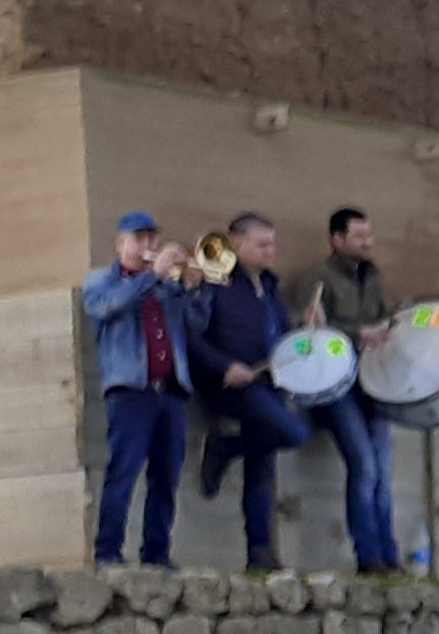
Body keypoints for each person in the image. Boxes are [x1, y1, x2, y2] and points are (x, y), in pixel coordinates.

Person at [190, 214, 308, 569]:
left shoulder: (270, 289)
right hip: (233, 386)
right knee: (293, 433)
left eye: (273, 243)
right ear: (237, 245)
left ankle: (260, 552)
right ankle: (223, 447)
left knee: (262, 467)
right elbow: (190, 334)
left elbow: (283, 336)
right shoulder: (217, 284)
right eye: (262, 244)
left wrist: (306, 328)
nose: (271, 251)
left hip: (269, 383)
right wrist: (224, 366)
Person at [80, 210, 196, 567]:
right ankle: (107, 552)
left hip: (170, 391)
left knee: (166, 477)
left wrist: (195, 288)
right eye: (138, 238)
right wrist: (153, 276)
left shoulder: (165, 286)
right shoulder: (101, 280)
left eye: (152, 239)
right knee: (123, 472)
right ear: (120, 244)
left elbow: (197, 323)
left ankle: (157, 553)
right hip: (130, 390)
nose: (147, 246)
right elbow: (106, 307)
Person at [308, 206, 400, 574]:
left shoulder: (373, 276)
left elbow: (381, 319)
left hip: (373, 385)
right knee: (363, 466)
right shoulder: (316, 279)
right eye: (359, 237)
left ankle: (389, 554)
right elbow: (308, 332)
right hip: (336, 387)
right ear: (337, 240)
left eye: (369, 235)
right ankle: (369, 556)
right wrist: (356, 333)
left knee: (381, 469)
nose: (368, 243)